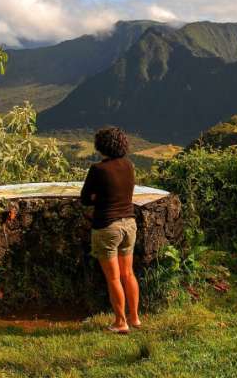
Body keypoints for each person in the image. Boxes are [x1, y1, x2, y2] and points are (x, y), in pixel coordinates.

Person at [80, 126, 141, 334]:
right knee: (128, 273)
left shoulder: (98, 170)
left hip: (107, 226)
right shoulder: (129, 165)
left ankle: (120, 322)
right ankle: (134, 318)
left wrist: (98, 197)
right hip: (129, 224)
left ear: (100, 146)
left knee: (113, 278)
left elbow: (85, 199)